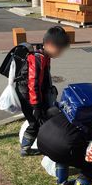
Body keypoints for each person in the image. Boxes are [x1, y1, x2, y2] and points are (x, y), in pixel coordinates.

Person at [16, 26, 70, 157]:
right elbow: (33, 83)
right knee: (35, 123)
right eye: (60, 49)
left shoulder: (45, 56)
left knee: (40, 122)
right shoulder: (37, 58)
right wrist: (36, 105)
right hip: (28, 96)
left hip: (35, 96)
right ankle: (26, 149)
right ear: (50, 44)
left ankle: (33, 147)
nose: (61, 53)